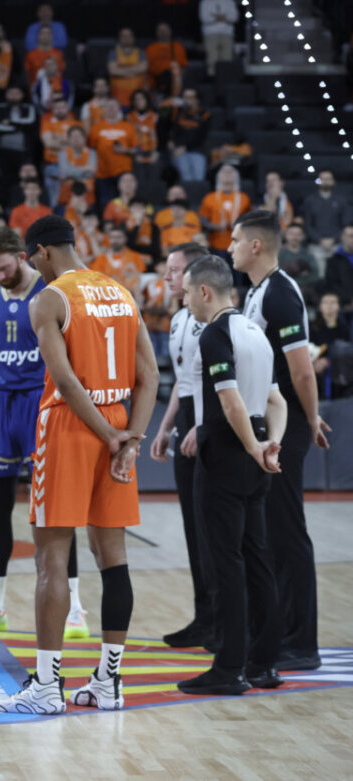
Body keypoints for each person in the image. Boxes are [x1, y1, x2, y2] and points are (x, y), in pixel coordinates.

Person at [0, 215, 159, 714]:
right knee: (114, 557)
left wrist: (108, 435)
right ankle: (109, 681)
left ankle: (47, 686)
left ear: (42, 252)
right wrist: (128, 440)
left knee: (52, 558)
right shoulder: (121, 292)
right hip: (117, 422)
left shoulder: (50, 298)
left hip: (71, 428)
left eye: (31, 258)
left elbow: (66, 383)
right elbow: (148, 376)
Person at [0, 227, 87, 638]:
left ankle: (75, 606)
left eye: (3, 267)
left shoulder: (50, 292)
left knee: (56, 509)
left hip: (42, 403)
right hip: (1, 404)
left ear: (21, 256)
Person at [177, 254, 286, 695]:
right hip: (257, 448)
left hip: (227, 451)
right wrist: (269, 443)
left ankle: (229, 669)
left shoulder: (215, 334)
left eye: (186, 292)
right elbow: (275, 401)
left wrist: (250, 446)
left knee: (227, 563)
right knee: (258, 559)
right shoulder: (255, 332)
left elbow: (230, 403)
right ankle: (265, 664)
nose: (184, 301)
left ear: (205, 292)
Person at [232, 210, 330, 671]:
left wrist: (310, 421)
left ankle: (301, 642)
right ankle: (273, 631)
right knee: (269, 532)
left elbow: (301, 368)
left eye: (235, 241)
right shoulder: (256, 291)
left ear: (256, 246)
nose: (229, 247)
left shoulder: (281, 294)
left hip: (286, 425)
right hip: (269, 423)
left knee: (288, 533)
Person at [150, 242, 215, 647]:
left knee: (213, 528)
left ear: (194, 274)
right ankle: (203, 614)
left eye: (173, 270)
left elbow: (217, 381)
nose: (167, 277)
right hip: (188, 417)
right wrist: (166, 426)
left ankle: (226, 619)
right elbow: (184, 382)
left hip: (212, 419)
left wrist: (203, 425)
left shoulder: (214, 319)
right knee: (193, 526)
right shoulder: (177, 320)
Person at [200, 165, 251, 254]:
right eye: (224, 171)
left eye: (231, 171)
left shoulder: (244, 198)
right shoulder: (209, 198)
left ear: (237, 176)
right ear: (218, 176)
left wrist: (239, 226)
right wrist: (216, 226)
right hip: (215, 245)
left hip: (239, 245)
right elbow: (202, 221)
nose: (227, 174)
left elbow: (250, 220)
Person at [301, 171, 353, 255]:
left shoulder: (342, 201)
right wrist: (319, 240)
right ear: (318, 181)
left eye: (328, 178)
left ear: (333, 181)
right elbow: (307, 224)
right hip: (316, 246)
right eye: (322, 179)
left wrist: (334, 239)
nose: (325, 181)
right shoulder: (309, 201)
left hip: (337, 245)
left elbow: (346, 224)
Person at [199, 0, 238, 77]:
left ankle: (226, 78)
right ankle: (212, 78)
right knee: (212, 58)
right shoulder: (205, 2)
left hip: (227, 33)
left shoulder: (229, 2)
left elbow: (234, 17)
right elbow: (205, 18)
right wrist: (224, 17)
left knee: (227, 57)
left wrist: (215, 16)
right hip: (210, 34)